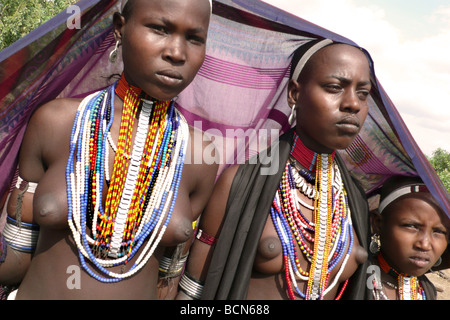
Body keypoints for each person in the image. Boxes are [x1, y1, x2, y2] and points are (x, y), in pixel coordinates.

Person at [0, 0, 217, 300]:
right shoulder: (56, 123)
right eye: (159, 29)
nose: (176, 53)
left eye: (194, 38)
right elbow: (14, 258)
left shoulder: (199, 155)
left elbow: (167, 285)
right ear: (120, 28)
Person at [177, 39, 373, 300]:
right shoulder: (240, 183)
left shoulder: (356, 201)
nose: (353, 104)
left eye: (363, 93)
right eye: (335, 88)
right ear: (294, 94)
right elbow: (193, 292)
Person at [367, 176, 450, 300]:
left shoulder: (426, 290)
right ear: (377, 223)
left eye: (438, 231)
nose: (425, 244)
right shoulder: (353, 281)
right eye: (411, 226)